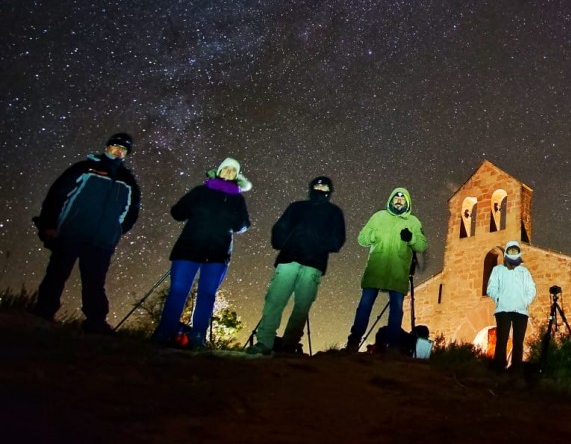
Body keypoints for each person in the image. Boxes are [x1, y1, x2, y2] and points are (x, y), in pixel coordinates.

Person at [31, 132, 141, 333]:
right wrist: (49, 224)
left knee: (95, 281)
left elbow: (132, 211)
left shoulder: (128, 181)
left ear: (126, 154)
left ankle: (96, 320)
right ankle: (44, 311)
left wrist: (116, 230)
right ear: (106, 147)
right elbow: (57, 195)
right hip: (72, 232)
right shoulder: (84, 168)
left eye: (122, 149)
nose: (117, 152)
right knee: (57, 273)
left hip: (102, 240)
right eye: (114, 147)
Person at [152, 158, 251, 348]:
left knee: (207, 294)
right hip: (188, 248)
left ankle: (198, 337)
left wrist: (232, 220)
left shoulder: (238, 199)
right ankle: (164, 333)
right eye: (226, 169)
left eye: (233, 171)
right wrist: (194, 209)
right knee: (178, 291)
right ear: (218, 171)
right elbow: (177, 212)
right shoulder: (201, 191)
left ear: (237, 176)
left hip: (218, 253)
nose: (229, 172)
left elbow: (243, 224)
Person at [247, 176, 346, 356]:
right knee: (274, 301)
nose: (321, 188)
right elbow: (280, 228)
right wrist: (285, 243)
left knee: (302, 307)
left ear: (330, 191)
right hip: (288, 260)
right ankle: (264, 342)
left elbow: (338, 239)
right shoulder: (296, 207)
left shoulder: (334, 212)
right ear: (311, 187)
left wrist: (318, 245)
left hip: (313, 264)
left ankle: (289, 346)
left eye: (325, 186)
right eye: (318, 185)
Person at [346, 187, 427, 352]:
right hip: (376, 269)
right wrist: (373, 235)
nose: (399, 201)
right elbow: (362, 238)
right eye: (396, 199)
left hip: (398, 272)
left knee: (396, 309)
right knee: (364, 305)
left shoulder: (413, 222)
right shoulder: (379, 217)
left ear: (407, 202)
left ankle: (392, 346)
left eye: (402, 199)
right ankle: (353, 341)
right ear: (391, 199)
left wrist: (411, 238)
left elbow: (422, 244)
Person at [486, 240, 536, 379]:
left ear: (518, 252)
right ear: (506, 252)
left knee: (518, 342)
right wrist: (498, 298)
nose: (513, 253)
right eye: (510, 250)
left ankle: (516, 372)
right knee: (501, 340)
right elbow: (491, 288)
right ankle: (499, 371)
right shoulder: (498, 270)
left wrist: (525, 301)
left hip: (520, 311)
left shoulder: (524, 271)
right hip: (503, 310)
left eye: (515, 251)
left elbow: (531, 289)